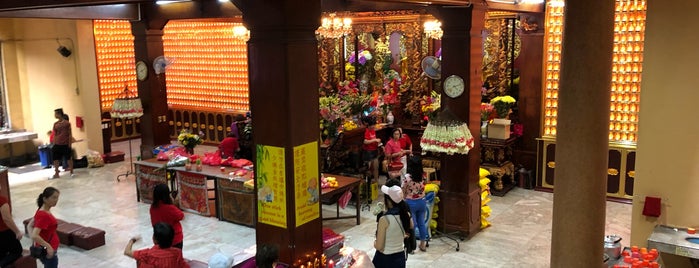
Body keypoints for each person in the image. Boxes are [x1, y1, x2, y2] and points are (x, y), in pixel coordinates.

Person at [373, 182, 412, 268]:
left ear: (389, 201)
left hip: (385, 259)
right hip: (400, 258)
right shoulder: (406, 215)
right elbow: (411, 227)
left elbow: (379, 246)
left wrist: (374, 242)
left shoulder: (384, 220)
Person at [124, 222, 190, 268]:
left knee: (140, 261)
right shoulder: (177, 253)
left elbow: (127, 252)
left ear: (154, 239)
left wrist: (132, 240)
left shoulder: (147, 254)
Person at [402, 156, 428, 252]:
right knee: (421, 223)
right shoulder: (423, 176)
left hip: (410, 203)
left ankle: (412, 247)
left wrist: (404, 198)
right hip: (422, 201)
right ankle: (423, 244)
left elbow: (403, 189)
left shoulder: (407, 178)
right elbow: (424, 186)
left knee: (412, 225)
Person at [31, 187, 60, 268]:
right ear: (45, 199)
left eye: (57, 197)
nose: (56, 200)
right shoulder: (43, 215)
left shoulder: (41, 210)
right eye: (53, 197)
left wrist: (35, 243)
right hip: (48, 251)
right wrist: (49, 247)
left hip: (46, 248)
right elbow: (34, 235)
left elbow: (30, 225)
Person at [150, 184, 185, 249]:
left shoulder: (152, 208)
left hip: (159, 239)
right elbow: (181, 216)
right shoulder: (170, 208)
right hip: (174, 239)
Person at [0, 184, 22, 267]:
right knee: (17, 251)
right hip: (4, 232)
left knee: (2, 253)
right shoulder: (1, 200)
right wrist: (17, 231)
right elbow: (7, 219)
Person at [51, 108, 72, 179]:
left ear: (59, 114)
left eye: (55, 113)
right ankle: (56, 173)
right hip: (57, 144)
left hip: (65, 144)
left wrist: (69, 144)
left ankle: (71, 172)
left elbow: (69, 134)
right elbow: (55, 134)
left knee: (69, 158)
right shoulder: (55, 124)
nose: (54, 115)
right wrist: (54, 143)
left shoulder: (67, 123)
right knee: (55, 159)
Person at [361, 116, 381, 185]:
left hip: (374, 150)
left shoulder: (373, 131)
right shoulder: (366, 131)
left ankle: (376, 181)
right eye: (372, 125)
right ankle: (367, 182)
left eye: (374, 125)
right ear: (368, 125)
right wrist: (374, 140)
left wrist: (377, 142)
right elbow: (365, 141)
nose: (373, 127)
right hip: (368, 152)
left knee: (376, 167)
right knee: (368, 168)